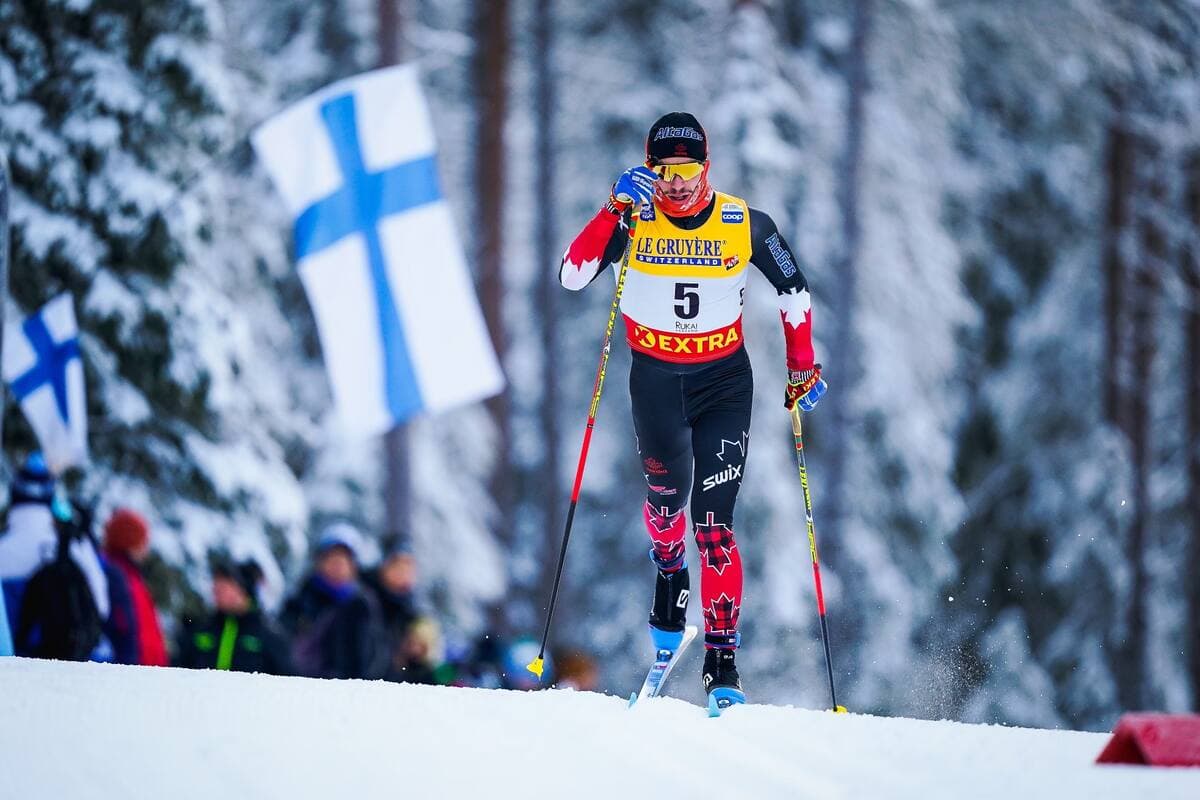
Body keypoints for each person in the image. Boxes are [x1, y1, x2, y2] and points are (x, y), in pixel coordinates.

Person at [558, 112, 826, 706]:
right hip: (654, 381)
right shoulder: (633, 217)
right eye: (664, 170)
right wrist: (610, 210)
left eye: (688, 170)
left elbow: (793, 287)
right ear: (650, 169)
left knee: (714, 523)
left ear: (707, 167)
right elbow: (573, 276)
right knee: (663, 511)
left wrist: (801, 359)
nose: (676, 183)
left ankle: (722, 663)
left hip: (723, 383)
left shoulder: (742, 222)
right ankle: (670, 575)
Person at [0, 454, 110, 657]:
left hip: (10, 672)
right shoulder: (74, 545)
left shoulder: (3, 549)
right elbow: (102, 608)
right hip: (65, 670)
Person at [282, 522, 387, 680]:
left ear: (354, 566)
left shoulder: (365, 605)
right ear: (320, 561)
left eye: (343, 559)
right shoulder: (300, 599)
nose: (337, 565)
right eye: (332, 557)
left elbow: (377, 654)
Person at [176, 558, 291, 675]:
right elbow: (176, 673)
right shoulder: (199, 630)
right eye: (216, 583)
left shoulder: (268, 635)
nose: (216, 589)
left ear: (243, 590)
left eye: (225, 584)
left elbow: (286, 682)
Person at [102, 508, 169, 666]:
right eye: (143, 541)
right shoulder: (117, 577)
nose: (146, 549)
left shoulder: (132, 576)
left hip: (143, 671)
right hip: (133, 672)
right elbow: (126, 628)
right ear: (130, 542)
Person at [364, 532, 420, 680]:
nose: (405, 574)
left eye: (409, 567)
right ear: (384, 567)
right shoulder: (364, 601)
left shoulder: (409, 610)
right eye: (399, 566)